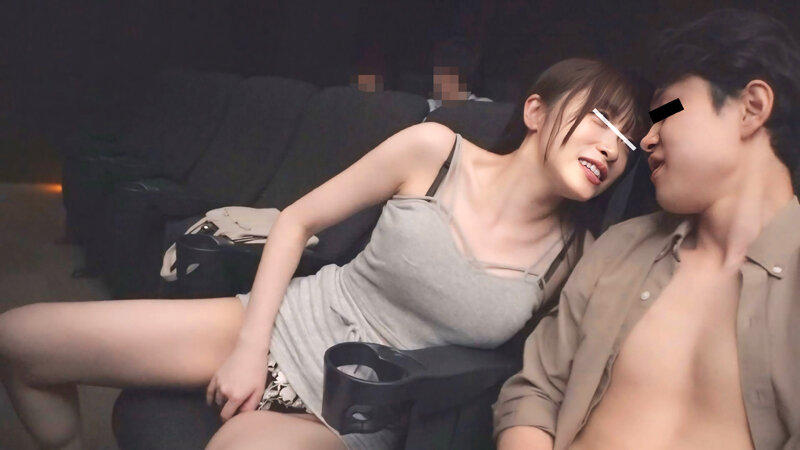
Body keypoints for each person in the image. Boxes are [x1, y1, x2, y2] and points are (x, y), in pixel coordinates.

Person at [0, 57, 650, 450]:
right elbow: (297, 220)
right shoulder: (434, 149)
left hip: (355, 407)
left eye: (626, 143)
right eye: (600, 120)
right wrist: (249, 347)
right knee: (22, 340)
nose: (610, 147)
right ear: (535, 110)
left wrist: (667, 120)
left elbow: (577, 367)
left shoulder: (580, 255)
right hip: (282, 322)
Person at [494, 9, 800, 450]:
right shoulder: (618, 248)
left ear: (750, 108)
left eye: (667, 112)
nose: (646, 140)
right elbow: (535, 393)